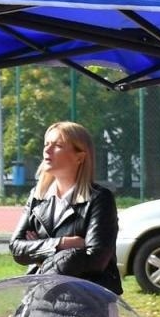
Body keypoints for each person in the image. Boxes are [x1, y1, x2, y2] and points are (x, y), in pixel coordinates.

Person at [9, 122, 122, 293]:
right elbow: (17, 249)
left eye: (58, 145)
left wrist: (39, 251)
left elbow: (96, 259)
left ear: (80, 157)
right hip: (42, 296)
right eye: (46, 144)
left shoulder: (99, 199)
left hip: (89, 300)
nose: (47, 150)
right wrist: (62, 244)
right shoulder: (37, 196)